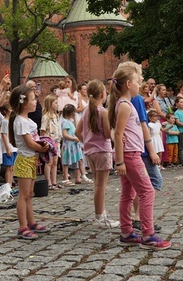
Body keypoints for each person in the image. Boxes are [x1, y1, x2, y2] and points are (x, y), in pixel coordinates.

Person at [109, 63, 171, 250]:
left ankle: (127, 232)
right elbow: (118, 134)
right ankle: (148, 235)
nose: (140, 83)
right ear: (128, 84)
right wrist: (119, 161)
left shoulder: (125, 104)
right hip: (130, 156)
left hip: (131, 154)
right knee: (147, 192)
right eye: (137, 81)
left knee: (128, 194)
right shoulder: (125, 106)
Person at [8, 84, 51, 240]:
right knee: (23, 195)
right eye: (33, 99)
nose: (36, 101)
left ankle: (31, 222)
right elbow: (30, 143)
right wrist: (43, 148)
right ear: (24, 104)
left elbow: (35, 140)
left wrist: (44, 144)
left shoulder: (27, 121)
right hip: (25, 160)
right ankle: (22, 226)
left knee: (29, 194)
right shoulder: (20, 121)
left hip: (31, 160)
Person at [75, 79, 118, 228]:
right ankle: (100, 217)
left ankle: (100, 213)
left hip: (90, 152)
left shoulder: (87, 110)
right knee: (101, 185)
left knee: (97, 185)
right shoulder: (103, 112)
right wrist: (114, 131)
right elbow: (107, 134)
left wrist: (86, 141)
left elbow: (77, 132)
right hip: (102, 151)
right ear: (102, 94)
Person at [40, 94, 61, 190]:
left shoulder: (56, 116)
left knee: (55, 162)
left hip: (56, 142)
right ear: (50, 104)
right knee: (49, 162)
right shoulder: (46, 117)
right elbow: (43, 131)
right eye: (55, 103)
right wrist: (45, 142)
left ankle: (54, 181)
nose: (57, 104)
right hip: (49, 142)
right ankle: (48, 182)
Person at [60, 104, 84, 185]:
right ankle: (66, 178)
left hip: (74, 145)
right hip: (69, 145)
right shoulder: (65, 122)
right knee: (66, 162)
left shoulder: (71, 121)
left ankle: (78, 177)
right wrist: (74, 138)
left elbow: (77, 129)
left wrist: (75, 119)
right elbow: (65, 134)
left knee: (77, 160)